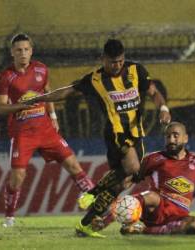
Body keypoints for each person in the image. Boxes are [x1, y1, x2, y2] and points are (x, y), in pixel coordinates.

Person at [23, 38, 171, 237]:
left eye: (119, 61)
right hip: (116, 134)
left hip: (137, 134)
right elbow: (66, 91)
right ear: (103, 59)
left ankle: (85, 224)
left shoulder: (137, 71)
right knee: (134, 168)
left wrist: (163, 107)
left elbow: (154, 92)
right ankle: (92, 193)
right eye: (112, 62)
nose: (116, 65)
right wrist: (37, 98)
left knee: (124, 183)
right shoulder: (95, 79)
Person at [0, 33, 94, 227]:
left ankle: (98, 203)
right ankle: (9, 217)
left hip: (45, 129)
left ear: (31, 51)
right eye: (18, 50)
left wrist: (54, 116)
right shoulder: (6, 77)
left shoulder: (41, 69)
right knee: (17, 178)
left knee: (73, 165)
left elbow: (48, 94)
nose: (23, 53)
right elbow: (0, 108)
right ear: (12, 53)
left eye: (26, 49)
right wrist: (23, 106)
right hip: (22, 133)